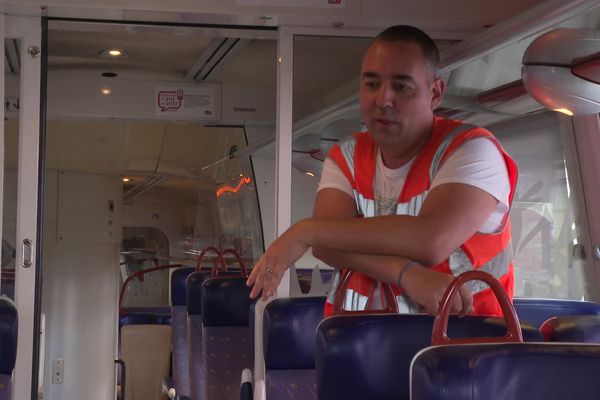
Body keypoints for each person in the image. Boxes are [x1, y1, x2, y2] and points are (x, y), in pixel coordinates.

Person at [247, 25, 517, 317]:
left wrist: (304, 231)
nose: (383, 99)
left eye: (401, 87)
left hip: (462, 348)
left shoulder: (471, 150)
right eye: (372, 84)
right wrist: (405, 273)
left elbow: (430, 241)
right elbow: (325, 247)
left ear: (435, 93)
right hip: (360, 342)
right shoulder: (347, 156)